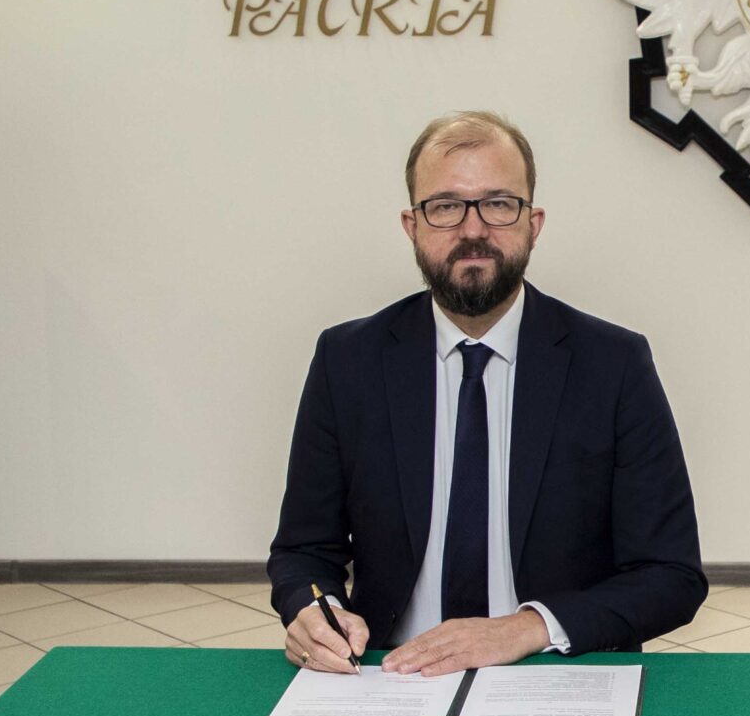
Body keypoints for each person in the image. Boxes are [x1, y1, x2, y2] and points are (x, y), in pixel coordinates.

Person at [269, 112, 708, 674]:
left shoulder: (613, 363)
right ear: (412, 225)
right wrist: (315, 610)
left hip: (553, 669)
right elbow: (304, 551)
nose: (473, 229)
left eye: (499, 204)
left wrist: (527, 628)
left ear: (533, 223)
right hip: (392, 671)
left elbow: (672, 575)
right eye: (445, 206)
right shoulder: (347, 361)